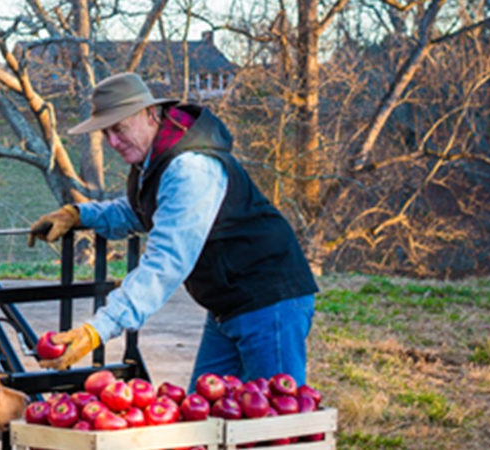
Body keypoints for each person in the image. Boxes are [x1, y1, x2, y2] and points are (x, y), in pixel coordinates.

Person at [29, 73, 319, 385]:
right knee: (206, 416)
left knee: (278, 420)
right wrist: (79, 214)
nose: (112, 142)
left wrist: (98, 328)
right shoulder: (156, 159)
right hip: (227, 305)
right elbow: (143, 211)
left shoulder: (190, 168)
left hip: (269, 301)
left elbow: (165, 262)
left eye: (119, 128)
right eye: (106, 132)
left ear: (150, 114)